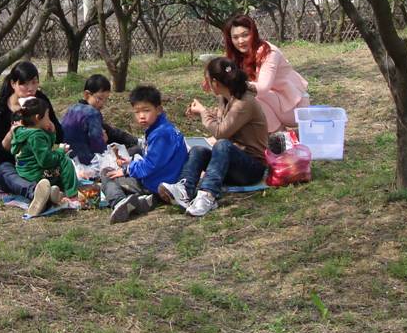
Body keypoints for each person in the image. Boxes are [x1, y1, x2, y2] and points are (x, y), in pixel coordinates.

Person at [160, 56, 268, 217]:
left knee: (222, 145)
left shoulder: (244, 103)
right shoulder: (225, 98)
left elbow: (220, 132)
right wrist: (202, 113)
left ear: (215, 83)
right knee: (198, 150)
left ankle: (208, 195)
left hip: (251, 168)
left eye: (208, 80)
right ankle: (185, 189)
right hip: (232, 164)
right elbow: (221, 123)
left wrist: (204, 112)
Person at [107, 85, 188, 224]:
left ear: (159, 109)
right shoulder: (162, 128)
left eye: (146, 110)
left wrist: (127, 169)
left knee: (107, 173)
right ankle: (146, 200)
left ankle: (119, 202)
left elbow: (150, 166)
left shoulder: (160, 133)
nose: (141, 116)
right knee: (130, 160)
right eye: (137, 112)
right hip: (164, 179)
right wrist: (129, 164)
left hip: (158, 183)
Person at [223, 14, 308, 133]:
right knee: (238, 96)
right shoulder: (237, 56)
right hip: (274, 101)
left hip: (295, 107)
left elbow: (262, 88)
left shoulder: (269, 52)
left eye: (245, 35)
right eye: (235, 37)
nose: (240, 41)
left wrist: (230, 83)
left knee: (249, 96)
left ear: (254, 34)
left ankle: (280, 135)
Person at [2, 97, 82, 216]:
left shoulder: (21, 131)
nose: (49, 120)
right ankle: (72, 196)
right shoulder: (37, 136)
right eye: (47, 116)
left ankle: (53, 194)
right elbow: (45, 161)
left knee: (59, 166)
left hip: (24, 172)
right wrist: (60, 151)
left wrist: (51, 133)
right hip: (37, 173)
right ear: (38, 117)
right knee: (65, 162)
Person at [0, 61, 62, 188]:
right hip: (14, 165)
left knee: (63, 165)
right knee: (3, 172)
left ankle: (46, 189)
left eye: (34, 82)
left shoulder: (41, 101)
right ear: (13, 84)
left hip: (39, 164)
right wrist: (11, 133)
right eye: (24, 84)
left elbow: (60, 137)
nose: (31, 89)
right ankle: (36, 192)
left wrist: (49, 125)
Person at [60, 73, 142, 167]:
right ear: (87, 94)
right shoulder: (92, 113)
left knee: (109, 130)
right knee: (137, 150)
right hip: (89, 163)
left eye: (105, 100)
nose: (102, 104)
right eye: (99, 99)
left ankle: (136, 140)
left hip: (68, 161)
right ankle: (138, 142)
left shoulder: (71, 109)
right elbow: (99, 147)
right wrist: (105, 142)